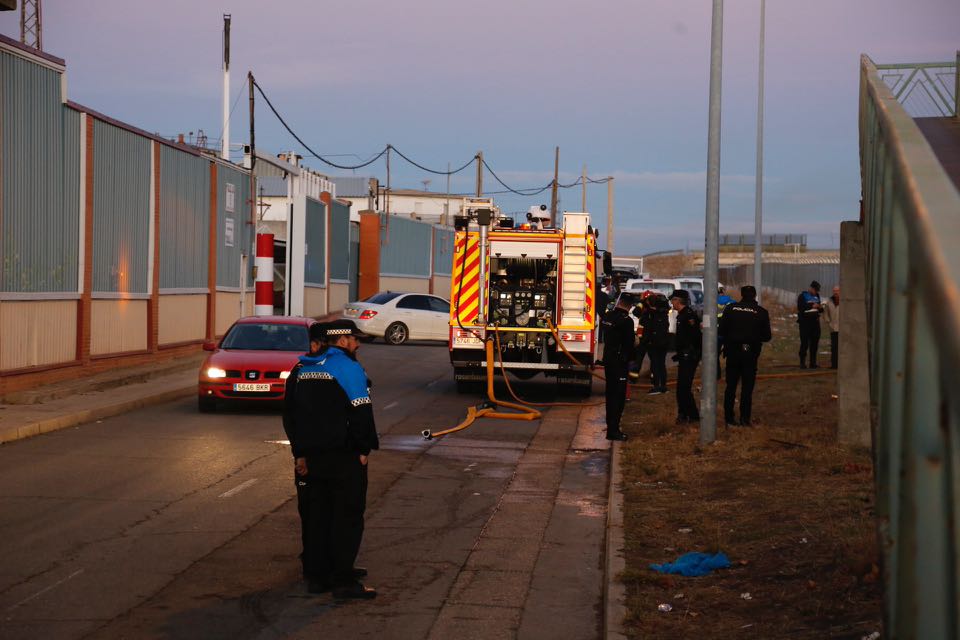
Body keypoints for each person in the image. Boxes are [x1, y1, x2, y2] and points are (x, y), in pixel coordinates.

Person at [282, 319, 379, 600]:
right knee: (346, 517)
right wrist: (363, 450)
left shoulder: (300, 369)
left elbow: (290, 416)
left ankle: (317, 575)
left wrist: (299, 453)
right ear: (342, 341)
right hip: (343, 458)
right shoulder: (348, 368)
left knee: (315, 516)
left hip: (309, 460)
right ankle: (343, 580)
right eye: (354, 339)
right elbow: (361, 412)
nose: (358, 343)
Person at [718, 285, 772, 426]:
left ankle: (729, 418)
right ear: (754, 296)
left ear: (741, 295)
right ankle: (744, 419)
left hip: (732, 352)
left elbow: (722, 330)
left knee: (730, 387)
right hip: (750, 353)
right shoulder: (761, 312)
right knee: (747, 388)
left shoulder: (730, 309)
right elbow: (767, 336)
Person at [601, 293, 636, 441]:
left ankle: (611, 427)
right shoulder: (626, 321)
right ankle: (614, 430)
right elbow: (629, 345)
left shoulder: (608, 317)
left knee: (610, 395)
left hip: (608, 361)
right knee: (618, 397)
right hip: (619, 363)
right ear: (630, 306)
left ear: (619, 302)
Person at [671, 289, 701, 424]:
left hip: (689, 356)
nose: (671, 302)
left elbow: (694, 337)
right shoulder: (682, 315)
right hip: (684, 355)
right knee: (681, 387)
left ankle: (692, 415)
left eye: (673, 300)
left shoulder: (688, 315)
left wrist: (689, 352)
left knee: (684, 387)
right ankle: (683, 413)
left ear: (678, 301)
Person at [644, 294, 671, 395]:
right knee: (661, 364)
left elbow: (646, 328)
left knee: (655, 364)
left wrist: (643, 342)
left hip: (653, 343)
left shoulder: (649, 314)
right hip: (663, 342)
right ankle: (663, 386)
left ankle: (656, 386)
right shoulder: (664, 313)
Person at [797, 280, 823, 368]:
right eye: (815, 290)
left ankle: (813, 363)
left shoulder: (817, 296)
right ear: (811, 288)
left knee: (814, 344)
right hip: (805, 324)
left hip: (815, 323)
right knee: (804, 343)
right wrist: (812, 306)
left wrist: (820, 307)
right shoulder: (802, 296)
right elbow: (801, 308)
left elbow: (820, 310)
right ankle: (802, 363)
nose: (816, 292)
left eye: (817, 291)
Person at [823, 286, 840, 369]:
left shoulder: (844, 301)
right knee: (834, 347)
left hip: (842, 328)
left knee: (841, 347)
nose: (835, 292)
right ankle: (834, 365)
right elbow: (825, 312)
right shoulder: (829, 302)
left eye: (837, 291)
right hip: (833, 327)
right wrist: (828, 321)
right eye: (834, 291)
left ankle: (840, 364)